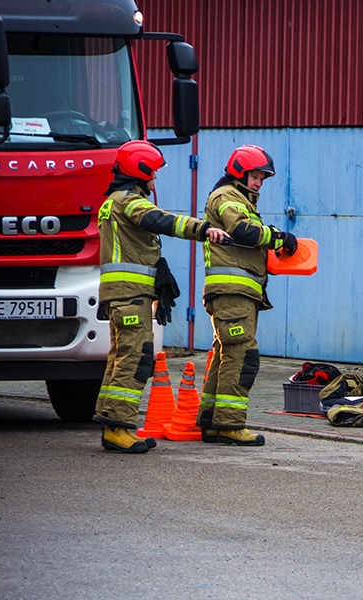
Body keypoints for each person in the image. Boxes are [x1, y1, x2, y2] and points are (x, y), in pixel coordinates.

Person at [93, 140, 227, 453]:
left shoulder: (113, 200)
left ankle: (114, 424)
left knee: (121, 358)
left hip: (122, 293)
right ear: (140, 172)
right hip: (130, 293)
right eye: (153, 173)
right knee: (135, 358)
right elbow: (161, 220)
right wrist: (203, 229)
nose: (155, 179)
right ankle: (118, 428)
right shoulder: (129, 201)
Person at [196, 145, 297, 446]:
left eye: (262, 179)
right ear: (240, 171)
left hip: (236, 294)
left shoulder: (238, 198)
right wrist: (277, 237)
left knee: (227, 355)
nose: (259, 183)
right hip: (232, 293)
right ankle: (230, 424)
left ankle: (212, 422)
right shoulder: (227, 197)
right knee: (243, 355)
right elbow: (242, 231)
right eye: (255, 176)